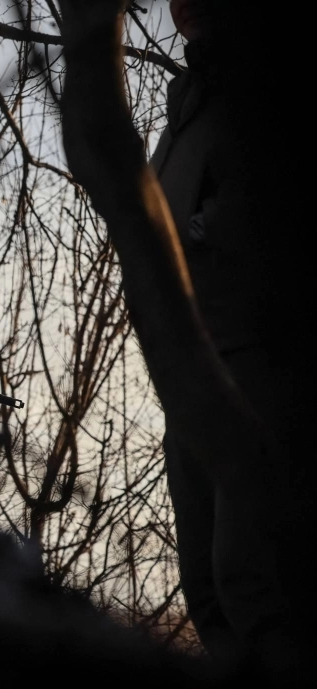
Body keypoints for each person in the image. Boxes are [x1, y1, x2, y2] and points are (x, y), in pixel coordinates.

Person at [150, 0, 308, 671]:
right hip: (190, 364)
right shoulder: (189, 101)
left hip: (260, 356)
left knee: (254, 575)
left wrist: (205, 228)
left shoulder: (274, 83)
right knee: (207, 583)